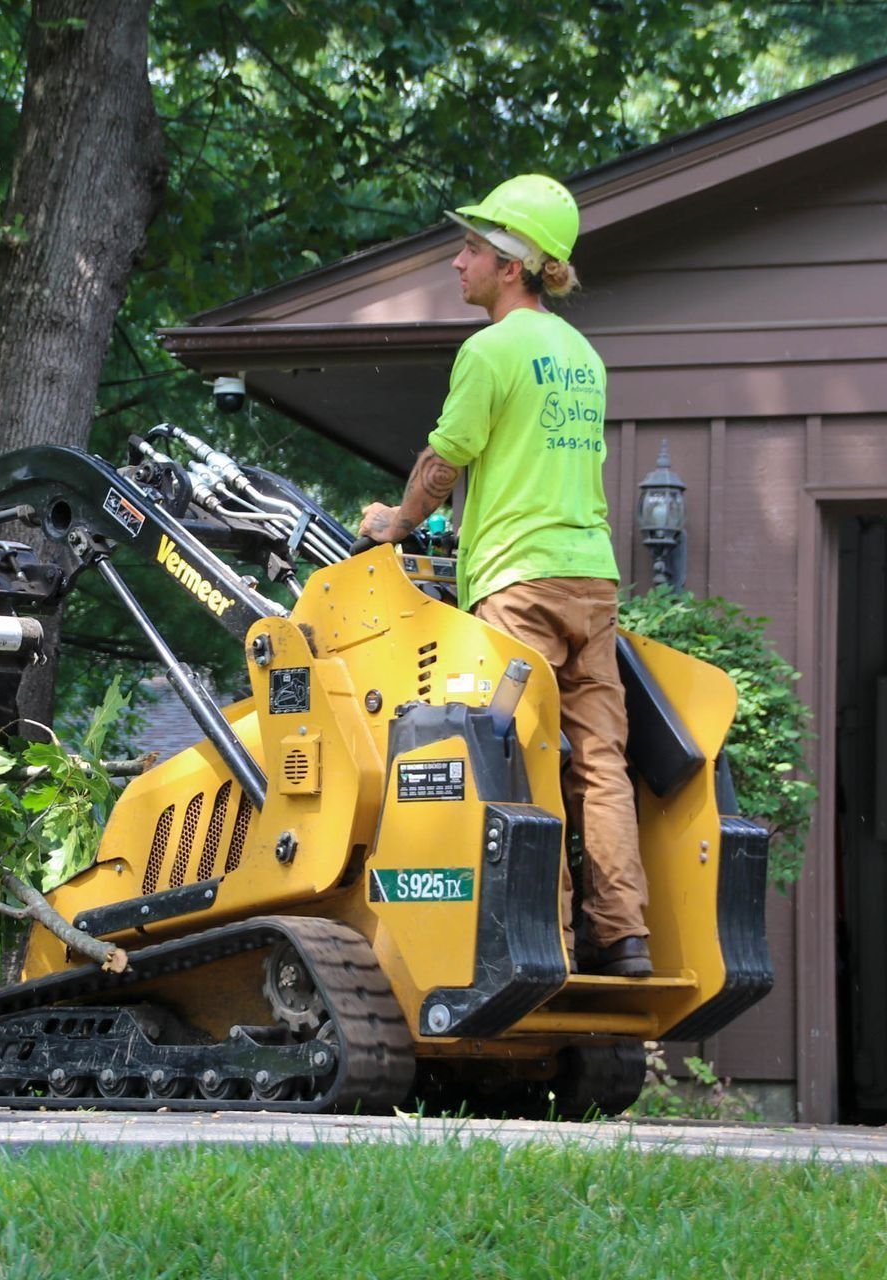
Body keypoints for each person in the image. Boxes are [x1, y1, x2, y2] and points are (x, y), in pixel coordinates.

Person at [357, 173, 650, 978]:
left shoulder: (489, 350)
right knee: (599, 761)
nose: (457, 263)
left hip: (518, 584)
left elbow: (444, 460)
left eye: (471, 250)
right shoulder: (582, 357)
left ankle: (541, 934)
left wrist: (397, 524)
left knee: (516, 753)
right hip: (592, 583)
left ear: (512, 267)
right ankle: (622, 932)